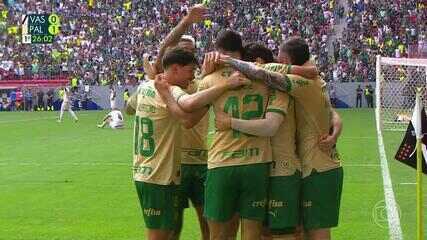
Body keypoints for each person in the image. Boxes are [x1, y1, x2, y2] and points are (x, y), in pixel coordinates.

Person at [219, 37, 343, 240]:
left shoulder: (300, 82)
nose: (279, 61)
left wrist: (229, 60)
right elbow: (333, 114)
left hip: (318, 167)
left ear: (288, 60)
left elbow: (262, 73)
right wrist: (335, 131)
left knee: (313, 233)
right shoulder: (310, 81)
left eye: (282, 58)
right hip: (305, 166)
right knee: (295, 230)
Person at [125, 47, 246, 240]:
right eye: (189, 71)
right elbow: (188, 112)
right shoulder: (170, 90)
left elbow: (128, 108)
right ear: (174, 69)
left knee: (167, 231)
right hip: (158, 175)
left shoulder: (145, 86)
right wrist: (225, 85)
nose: (191, 77)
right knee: (160, 236)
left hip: (148, 171)